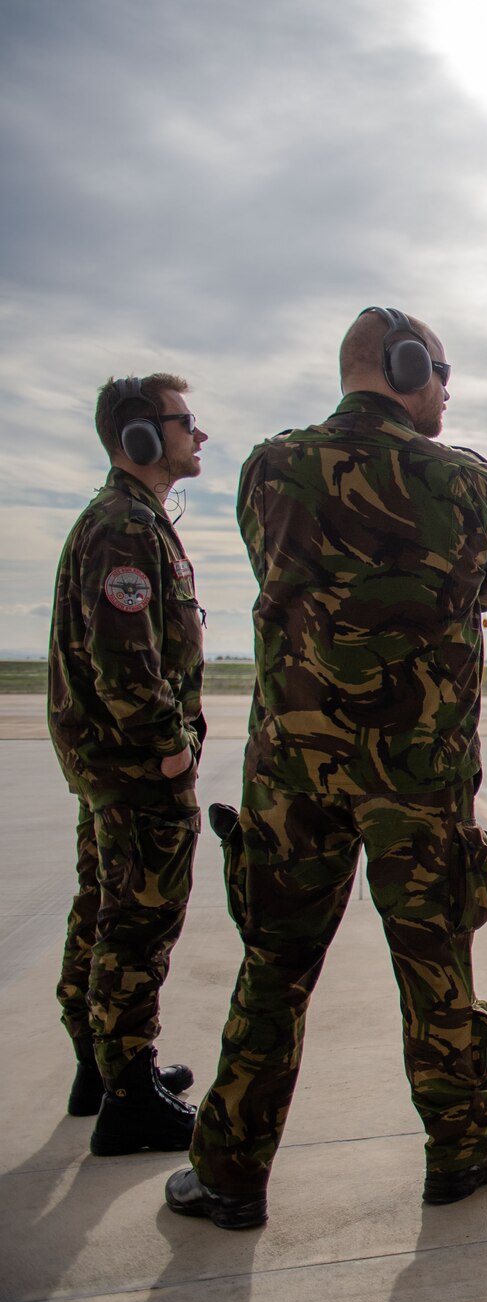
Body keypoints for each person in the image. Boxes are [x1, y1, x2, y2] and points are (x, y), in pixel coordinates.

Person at [169, 308, 487, 1229]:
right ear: (404, 367)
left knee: (275, 965)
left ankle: (231, 1172)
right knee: (435, 962)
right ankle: (461, 1144)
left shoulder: (269, 468)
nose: (447, 388)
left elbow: (278, 566)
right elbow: (482, 588)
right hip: (418, 773)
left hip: (296, 771)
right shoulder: (464, 480)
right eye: (440, 369)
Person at [48, 374, 207, 1152]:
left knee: (101, 909)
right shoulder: (122, 527)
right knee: (137, 926)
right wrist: (170, 751)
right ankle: (128, 1097)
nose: (198, 436)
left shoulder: (130, 519)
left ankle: (103, 1065)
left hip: (112, 767)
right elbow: (125, 659)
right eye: (186, 423)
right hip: (138, 769)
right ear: (140, 437)